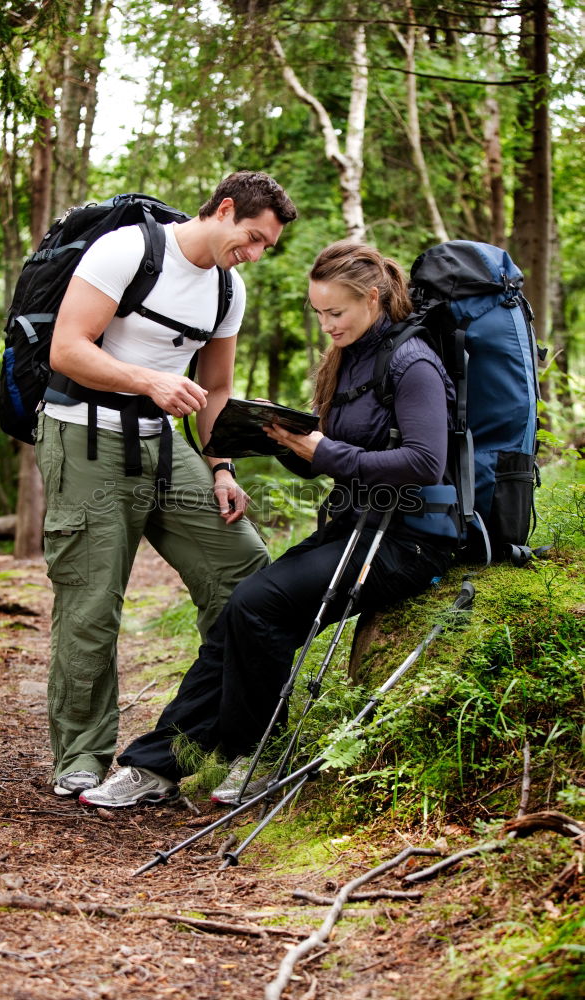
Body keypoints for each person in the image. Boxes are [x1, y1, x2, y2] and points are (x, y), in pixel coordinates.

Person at [78, 239, 458, 811]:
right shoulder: (352, 356)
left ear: (374, 298)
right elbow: (338, 452)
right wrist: (280, 441)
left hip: (411, 540)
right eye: (319, 313)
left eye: (337, 312)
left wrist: (322, 450)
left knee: (257, 604)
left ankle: (256, 755)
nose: (327, 325)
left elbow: (426, 462)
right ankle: (155, 765)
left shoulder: (413, 361)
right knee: (243, 613)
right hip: (355, 523)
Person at [36, 171, 298, 797]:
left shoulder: (227, 290)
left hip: (163, 444)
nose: (256, 254)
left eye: (268, 247)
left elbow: (217, 391)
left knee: (244, 572)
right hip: (85, 437)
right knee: (92, 602)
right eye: (253, 238)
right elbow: (67, 349)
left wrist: (221, 467)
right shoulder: (130, 249)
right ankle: (81, 754)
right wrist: (148, 380)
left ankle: (233, 736)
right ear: (226, 209)